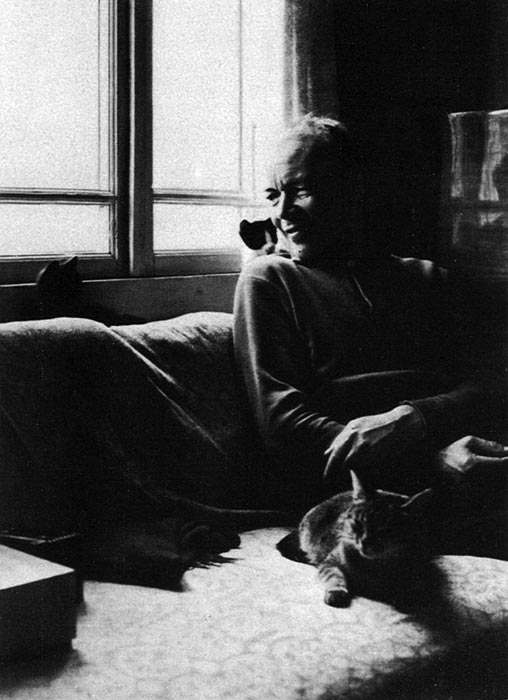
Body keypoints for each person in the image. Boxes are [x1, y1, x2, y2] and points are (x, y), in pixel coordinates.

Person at [233, 115, 507, 514]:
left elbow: (491, 384)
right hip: (364, 498)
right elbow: (285, 426)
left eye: (300, 191)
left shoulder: (428, 278)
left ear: (351, 190)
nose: (282, 212)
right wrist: (430, 464)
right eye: (273, 195)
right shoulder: (269, 280)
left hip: (473, 467)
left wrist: (414, 418)